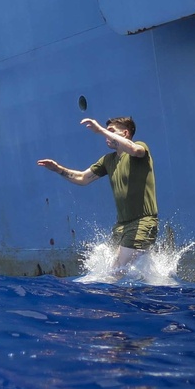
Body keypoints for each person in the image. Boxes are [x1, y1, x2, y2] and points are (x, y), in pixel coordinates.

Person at [37, 116, 158, 277]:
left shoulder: (140, 148)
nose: (107, 136)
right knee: (111, 267)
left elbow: (134, 150)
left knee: (115, 271)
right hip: (121, 226)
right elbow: (82, 178)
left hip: (143, 222)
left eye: (111, 131)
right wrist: (58, 169)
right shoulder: (108, 160)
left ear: (126, 133)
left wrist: (100, 130)